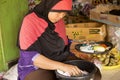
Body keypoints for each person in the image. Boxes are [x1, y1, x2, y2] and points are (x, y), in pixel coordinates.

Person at [17, 0, 83, 80]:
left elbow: (64, 43)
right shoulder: (30, 21)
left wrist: (74, 46)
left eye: (64, 13)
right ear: (48, 6)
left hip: (60, 57)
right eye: (58, 12)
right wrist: (63, 66)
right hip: (37, 66)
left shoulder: (58, 20)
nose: (61, 16)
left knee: (93, 74)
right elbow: (30, 57)